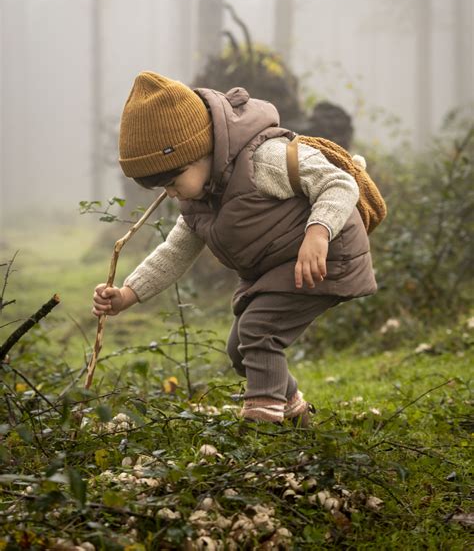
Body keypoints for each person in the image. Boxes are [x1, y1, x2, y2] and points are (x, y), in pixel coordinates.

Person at [92, 71, 377, 425]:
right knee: (241, 351)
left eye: (172, 182)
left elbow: (338, 182)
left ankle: (262, 425)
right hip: (277, 269)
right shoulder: (200, 199)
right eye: (161, 188)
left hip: (327, 253)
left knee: (259, 330)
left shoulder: (266, 159)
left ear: (201, 152)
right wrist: (127, 294)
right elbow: (174, 252)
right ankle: (293, 412)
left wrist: (318, 233)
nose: (170, 193)